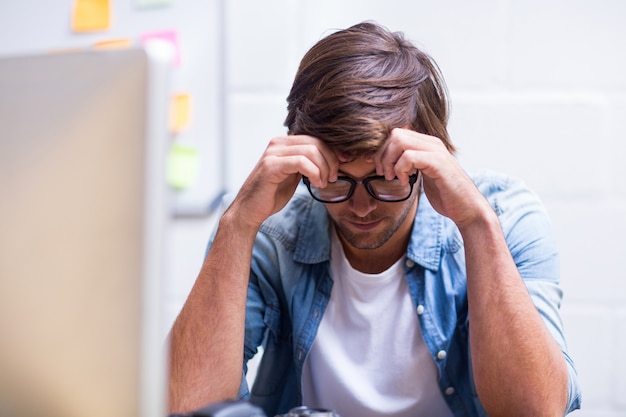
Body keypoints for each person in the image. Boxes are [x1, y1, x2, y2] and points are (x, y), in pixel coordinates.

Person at [168, 21, 581, 417]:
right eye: (337, 182)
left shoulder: (505, 218)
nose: (362, 207)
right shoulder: (267, 237)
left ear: (427, 161)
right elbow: (184, 407)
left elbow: (536, 410)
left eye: (385, 181)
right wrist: (237, 223)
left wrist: (476, 224)